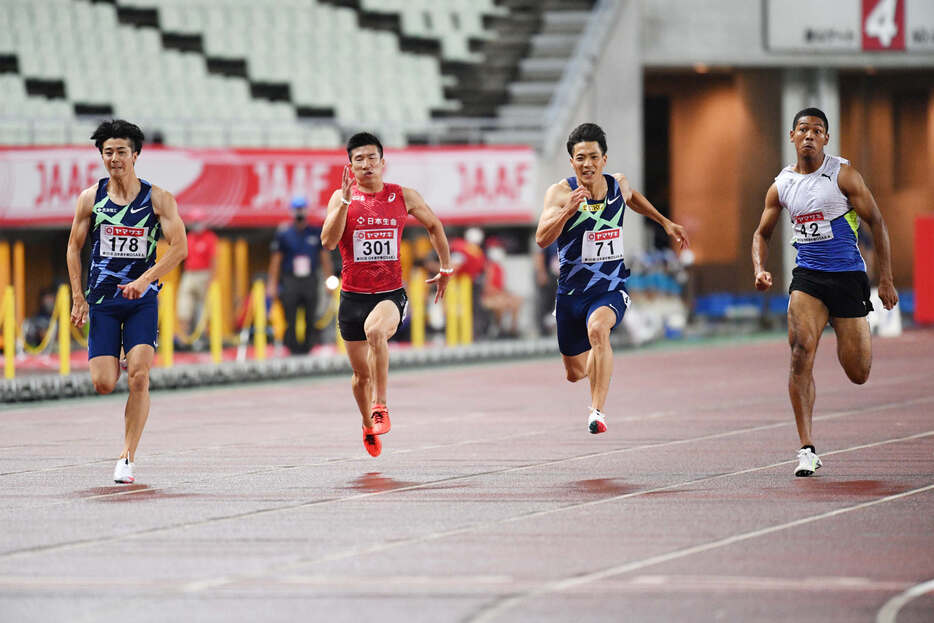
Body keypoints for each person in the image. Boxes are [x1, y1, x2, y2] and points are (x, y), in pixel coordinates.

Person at [752, 107, 898, 477]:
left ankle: (846, 330)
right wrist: (759, 267)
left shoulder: (843, 175)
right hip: (809, 279)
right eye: (803, 130)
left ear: (826, 139)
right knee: (800, 352)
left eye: (817, 130)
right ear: (792, 136)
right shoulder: (782, 184)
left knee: (858, 372)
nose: (809, 136)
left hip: (848, 278)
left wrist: (886, 279)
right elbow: (761, 233)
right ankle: (806, 449)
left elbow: (877, 221)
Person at [536, 122, 689, 434]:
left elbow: (632, 197)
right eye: (580, 158)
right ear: (572, 162)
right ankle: (598, 357)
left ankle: (597, 412)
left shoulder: (617, 184)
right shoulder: (559, 193)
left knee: (598, 330)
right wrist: (567, 212)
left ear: (604, 159)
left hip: (611, 287)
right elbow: (541, 238)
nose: (587, 164)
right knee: (575, 372)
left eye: (593, 157)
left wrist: (664, 222)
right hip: (571, 293)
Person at [66, 119, 188, 484]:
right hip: (102, 300)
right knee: (104, 383)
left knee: (139, 378)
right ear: (101, 156)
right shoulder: (91, 198)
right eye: (108, 153)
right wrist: (78, 297)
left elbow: (179, 248)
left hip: (141, 301)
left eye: (122, 151)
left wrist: (145, 280)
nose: (115, 158)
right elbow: (74, 247)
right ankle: (119, 354)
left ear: (136, 155)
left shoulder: (158, 199)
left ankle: (127, 457)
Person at [321, 132, 452, 457]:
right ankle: (367, 422)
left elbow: (433, 225)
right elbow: (327, 241)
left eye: (371, 158)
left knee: (376, 331)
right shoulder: (341, 198)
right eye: (358, 159)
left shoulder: (402, 196)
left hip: (390, 294)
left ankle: (381, 406)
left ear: (383, 162)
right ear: (350, 166)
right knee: (359, 375)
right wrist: (346, 205)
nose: (366, 165)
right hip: (352, 298)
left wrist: (446, 266)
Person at [267, 196, 333, 355]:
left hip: (310, 278)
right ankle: (292, 346)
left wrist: (328, 279)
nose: (299, 213)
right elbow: (276, 260)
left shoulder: (315, 232)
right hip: (291, 279)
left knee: (311, 313)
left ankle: (308, 346)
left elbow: (324, 258)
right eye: (297, 209)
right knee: (290, 314)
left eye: (302, 209)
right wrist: (272, 283)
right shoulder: (284, 234)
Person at [176, 208, 217, 344]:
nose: (196, 224)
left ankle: (202, 336)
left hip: (204, 274)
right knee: (184, 301)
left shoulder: (210, 238)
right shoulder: (190, 237)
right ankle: (184, 335)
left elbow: (213, 260)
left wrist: (211, 279)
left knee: (203, 306)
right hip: (190, 273)